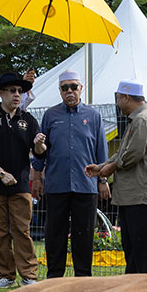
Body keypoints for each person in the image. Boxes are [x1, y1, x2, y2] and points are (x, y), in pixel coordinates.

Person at [31, 70, 109, 278]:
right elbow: (41, 153)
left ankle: (83, 277)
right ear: (59, 90)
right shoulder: (50, 115)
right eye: (65, 88)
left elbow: (101, 151)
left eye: (73, 86)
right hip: (56, 185)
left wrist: (103, 179)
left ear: (81, 88)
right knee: (54, 234)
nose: (69, 91)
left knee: (83, 234)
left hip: (86, 185)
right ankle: (54, 277)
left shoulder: (93, 116)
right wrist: (37, 178)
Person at [0, 72, 45, 289]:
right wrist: (1, 173)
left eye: (20, 91)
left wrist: (40, 144)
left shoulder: (28, 120)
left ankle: (29, 275)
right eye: (12, 91)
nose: (17, 95)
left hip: (21, 185)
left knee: (22, 230)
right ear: (1, 93)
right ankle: (6, 274)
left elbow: (39, 153)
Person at [86, 80, 147, 273]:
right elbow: (123, 152)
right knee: (133, 245)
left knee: (144, 245)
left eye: (119, 99)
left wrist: (110, 168)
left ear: (127, 97)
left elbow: (134, 153)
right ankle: (134, 284)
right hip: (133, 195)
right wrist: (101, 167)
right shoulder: (136, 120)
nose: (118, 104)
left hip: (141, 194)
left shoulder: (142, 119)